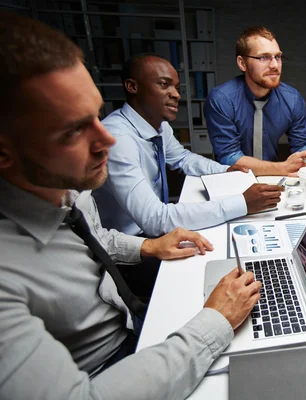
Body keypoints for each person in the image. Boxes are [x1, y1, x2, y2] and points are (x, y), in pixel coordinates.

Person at [0, 11, 261, 398]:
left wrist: (147, 247)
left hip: (130, 319)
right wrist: (215, 320)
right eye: (74, 130)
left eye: (96, 115)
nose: (107, 138)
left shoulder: (67, 189)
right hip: (107, 367)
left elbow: (95, 238)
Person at [92, 53, 283, 238]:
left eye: (177, 87)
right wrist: (242, 203)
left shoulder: (158, 125)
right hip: (132, 244)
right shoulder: (118, 139)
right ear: (132, 86)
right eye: (164, 85)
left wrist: (224, 170)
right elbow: (154, 219)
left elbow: (182, 158)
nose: (176, 95)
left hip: (153, 229)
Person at [204, 26, 306, 179]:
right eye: (263, 57)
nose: (274, 65)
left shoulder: (292, 99)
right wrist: (283, 168)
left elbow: (303, 144)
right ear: (242, 63)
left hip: (273, 176)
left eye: (278, 57)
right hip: (232, 178)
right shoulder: (221, 99)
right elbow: (229, 157)